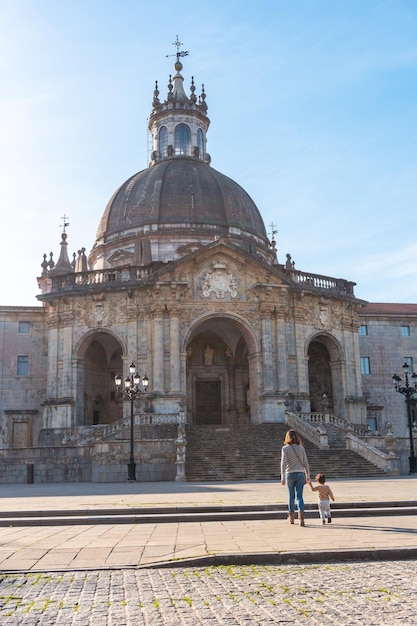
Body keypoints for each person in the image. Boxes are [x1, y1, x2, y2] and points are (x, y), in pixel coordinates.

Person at [280, 429, 310, 526]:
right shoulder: (301, 448)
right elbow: (306, 463)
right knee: (300, 497)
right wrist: (308, 475)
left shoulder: (285, 448)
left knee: (291, 497)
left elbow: (283, 463)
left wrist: (282, 476)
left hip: (290, 474)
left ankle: (292, 518)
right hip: (301, 474)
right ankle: (301, 519)